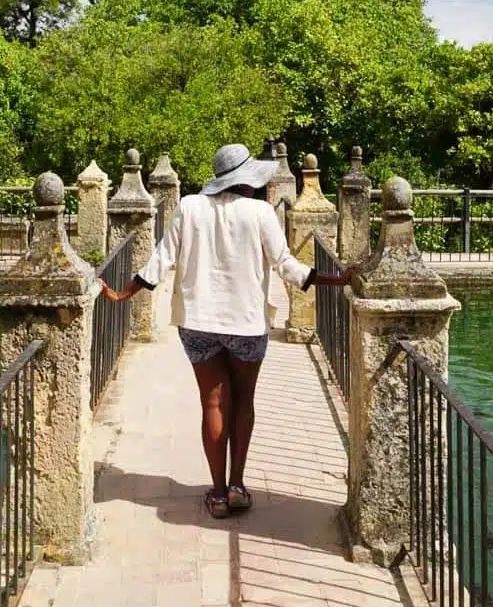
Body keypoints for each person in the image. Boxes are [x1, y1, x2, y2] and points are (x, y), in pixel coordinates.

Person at [100, 143, 355, 519]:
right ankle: (237, 486)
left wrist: (123, 293)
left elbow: (161, 260)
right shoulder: (261, 212)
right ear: (247, 181)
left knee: (213, 403)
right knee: (244, 401)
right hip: (247, 324)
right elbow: (287, 266)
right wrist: (338, 278)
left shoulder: (189, 207)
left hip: (198, 323)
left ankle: (217, 493)